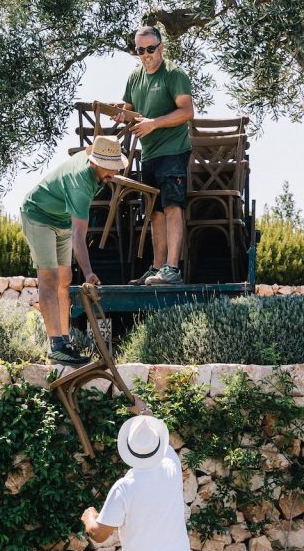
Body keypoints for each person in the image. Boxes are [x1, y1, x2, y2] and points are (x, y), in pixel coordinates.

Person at [21, 135, 128, 365]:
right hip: (38, 215)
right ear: (95, 163)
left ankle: (65, 341)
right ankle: (56, 344)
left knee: (65, 279)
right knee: (49, 277)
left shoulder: (98, 174)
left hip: (60, 220)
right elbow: (80, 236)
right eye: (110, 168)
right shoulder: (81, 183)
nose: (114, 173)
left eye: (115, 167)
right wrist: (89, 273)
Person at [116, 25, 194, 286]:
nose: (146, 54)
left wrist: (153, 123)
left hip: (173, 151)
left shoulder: (174, 75)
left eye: (151, 48)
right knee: (154, 213)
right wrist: (119, 114)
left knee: (172, 207)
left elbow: (186, 112)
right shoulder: (133, 78)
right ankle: (157, 268)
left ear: (161, 47)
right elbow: (129, 112)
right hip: (148, 154)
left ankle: (172, 269)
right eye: (140, 50)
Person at [80, 415, 192, 551]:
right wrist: (144, 410)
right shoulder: (171, 464)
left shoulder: (125, 488)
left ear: (128, 448)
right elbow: (162, 441)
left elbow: (98, 534)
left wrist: (89, 516)